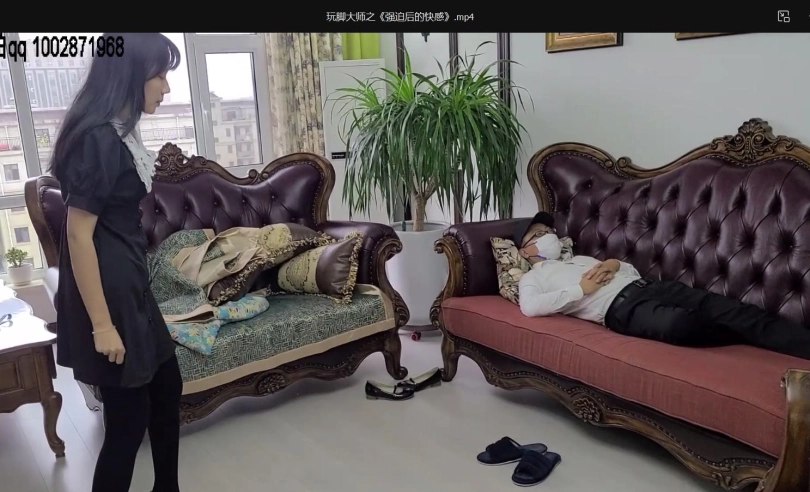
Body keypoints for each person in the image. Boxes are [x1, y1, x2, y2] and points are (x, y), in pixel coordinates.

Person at [49, 33, 183, 492]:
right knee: (127, 423)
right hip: (110, 295)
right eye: (159, 75)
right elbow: (78, 234)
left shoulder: (120, 130)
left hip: (131, 285)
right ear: (129, 75)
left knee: (166, 390)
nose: (166, 87)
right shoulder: (98, 139)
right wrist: (103, 326)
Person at [515, 212, 810, 360]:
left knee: (735, 311)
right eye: (539, 234)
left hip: (650, 286)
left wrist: (614, 264)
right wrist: (581, 290)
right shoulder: (533, 278)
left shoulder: (579, 258)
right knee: (680, 325)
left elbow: (630, 271)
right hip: (621, 309)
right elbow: (529, 307)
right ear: (524, 250)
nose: (548, 235)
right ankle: (740, 334)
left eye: (549, 230)